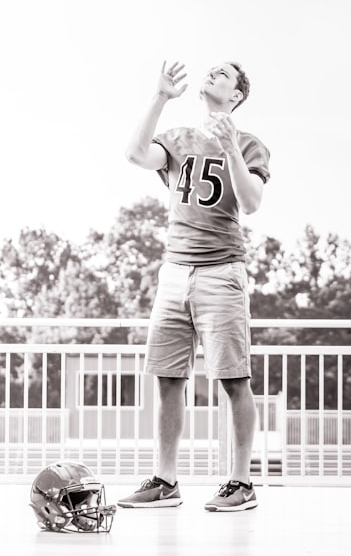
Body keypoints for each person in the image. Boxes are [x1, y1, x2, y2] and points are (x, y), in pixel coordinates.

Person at [118, 60, 271, 512]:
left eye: (224, 74)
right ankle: (165, 481)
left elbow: (251, 202)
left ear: (238, 95)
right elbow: (134, 154)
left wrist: (231, 151)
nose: (213, 75)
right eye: (212, 71)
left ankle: (241, 484)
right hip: (173, 272)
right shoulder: (180, 137)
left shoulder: (249, 143)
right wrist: (160, 97)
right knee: (167, 377)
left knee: (232, 379)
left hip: (221, 271)